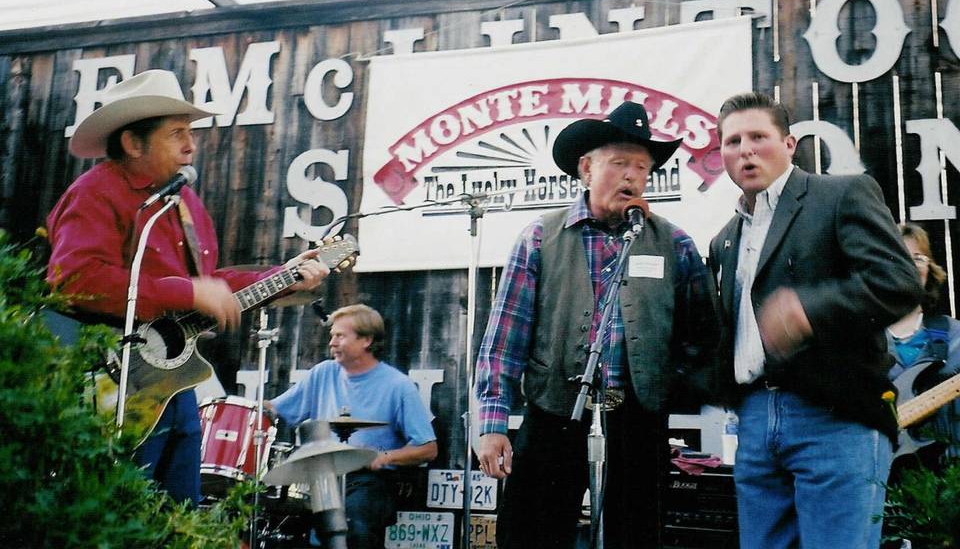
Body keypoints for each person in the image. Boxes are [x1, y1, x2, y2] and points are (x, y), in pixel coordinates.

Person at [45, 69, 329, 505]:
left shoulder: (182, 201)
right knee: (121, 513)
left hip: (174, 385)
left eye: (190, 132)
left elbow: (210, 285)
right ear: (132, 143)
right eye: (177, 132)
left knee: (178, 514)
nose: (191, 145)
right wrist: (188, 293)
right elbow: (75, 279)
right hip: (108, 384)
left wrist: (284, 275)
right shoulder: (96, 193)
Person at [474, 101, 721, 548]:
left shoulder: (675, 244)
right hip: (554, 416)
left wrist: (666, 388)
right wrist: (492, 423)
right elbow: (504, 340)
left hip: (637, 423)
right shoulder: (539, 238)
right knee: (531, 537)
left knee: (635, 537)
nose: (631, 177)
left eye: (641, 168)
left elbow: (703, 335)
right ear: (586, 168)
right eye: (619, 163)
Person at [708, 92, 924, 549]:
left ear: (789, 144)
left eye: (758, 136)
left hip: (834, 415)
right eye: (732, 141)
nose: (744, 149)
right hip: (753, 421)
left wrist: (811, 310)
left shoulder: (840, 194)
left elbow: (899, 281)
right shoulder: (724, 239)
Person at [267, 304, 437, 549]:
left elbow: (428, 448)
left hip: (369, 481)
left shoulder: (398, 386)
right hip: (321, 476)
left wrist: (384, 456)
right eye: (331, 336)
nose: (332, 343)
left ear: (366, 340)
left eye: (340, 336)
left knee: (353, 529)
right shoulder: (322, 373)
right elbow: (275, 409)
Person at [887, 223, 960, 470]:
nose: (909, 266)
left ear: (929, 269)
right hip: (885, 486)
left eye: (918, 258)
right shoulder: (857, 344)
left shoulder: (956, 335)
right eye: (897, 256)